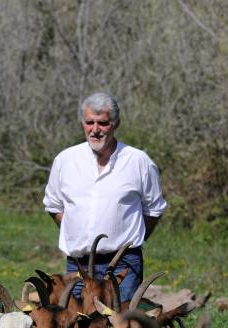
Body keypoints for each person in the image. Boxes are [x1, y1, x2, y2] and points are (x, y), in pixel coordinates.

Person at [43, 92, 167, 302]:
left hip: (123, 265)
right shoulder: (66, 160)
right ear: (82, 123)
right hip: (79, 265)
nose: (95, 130)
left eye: (103, 123)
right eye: (89, 122)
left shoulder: (138, 161)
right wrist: (75, 231)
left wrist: (133, 239)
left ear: (116, 124)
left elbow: (154, 208)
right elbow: (53, 204)